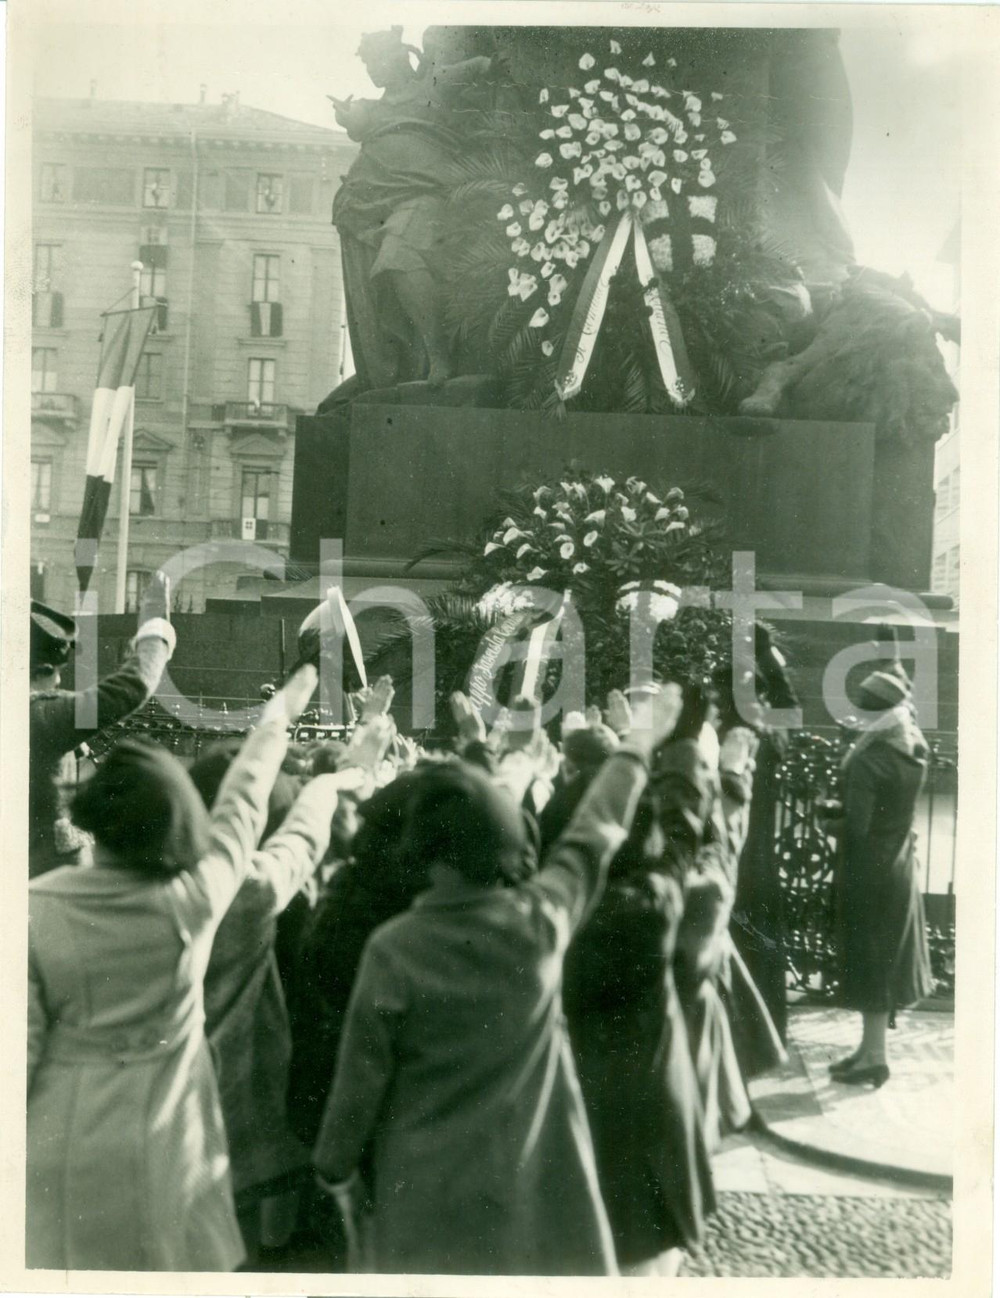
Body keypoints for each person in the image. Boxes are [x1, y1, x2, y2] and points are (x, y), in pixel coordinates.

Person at [312, 686, 683, 1275]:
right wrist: (638, 744)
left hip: (423, 1183)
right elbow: (596, 831)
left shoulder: (394, 947)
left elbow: (361, 1076)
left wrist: (335, 1167)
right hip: (531, 1169)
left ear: (423, 853)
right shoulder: (539, 920)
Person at [26, 665, 350, 1270]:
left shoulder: (31, 909)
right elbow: (249, 810)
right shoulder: (198, 897)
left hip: (62, 1139)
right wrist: (282, 728)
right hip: (172, 1137)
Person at [188, 719, 390, 1265]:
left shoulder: (173, 883)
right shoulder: (256, 891)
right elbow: (304, 835)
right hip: (261, 1064)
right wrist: (344, 776)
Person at [563, 687, 716, 1278]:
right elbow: (681, 828)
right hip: (648, 1120)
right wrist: (674, 750)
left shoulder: (549, 910)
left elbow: (583, 839)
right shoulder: (655, 905)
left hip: (574, 1127)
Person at [325, 27, 501, 395]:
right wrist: (346, 117)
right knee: (382, 269)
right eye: (368, 66)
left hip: (427, 198)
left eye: (378, 61)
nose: (373, 72)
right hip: (372, 207)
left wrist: (491, 65)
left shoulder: (433, 85)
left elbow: (482, 67)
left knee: (399, 256)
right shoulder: (373, 110)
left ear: (400, 56)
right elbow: (357, 123)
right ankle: (399, 361)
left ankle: (439, 356)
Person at [825, 667, 934, 1088]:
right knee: (881, 962)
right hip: (898, 864)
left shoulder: (871, 759)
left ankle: (875, 1058)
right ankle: (869, 1052)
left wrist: (826, 821)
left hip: (867, 869)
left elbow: (856, 827)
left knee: (870, 962)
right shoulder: (914, 747)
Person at [29, 574, 175, 878]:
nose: (58, 683)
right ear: (40, 670)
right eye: (55, 674)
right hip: (45, 877)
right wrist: (155, 627)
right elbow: (132, 686)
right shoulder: (38, 717)